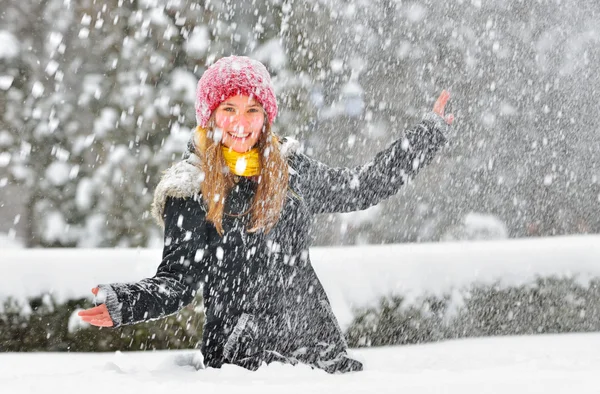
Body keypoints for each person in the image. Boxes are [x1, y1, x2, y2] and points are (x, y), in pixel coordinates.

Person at [78, 55, 454, 373]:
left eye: (252, 110)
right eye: (228, 109)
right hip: (241, 362)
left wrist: (427, 134)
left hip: (314, 349)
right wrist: (125, 302)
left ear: (265, 117)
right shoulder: (191, 191)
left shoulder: (291, 173)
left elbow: (363, 186)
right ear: (209, 116)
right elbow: (178, 283)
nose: (241, 123)